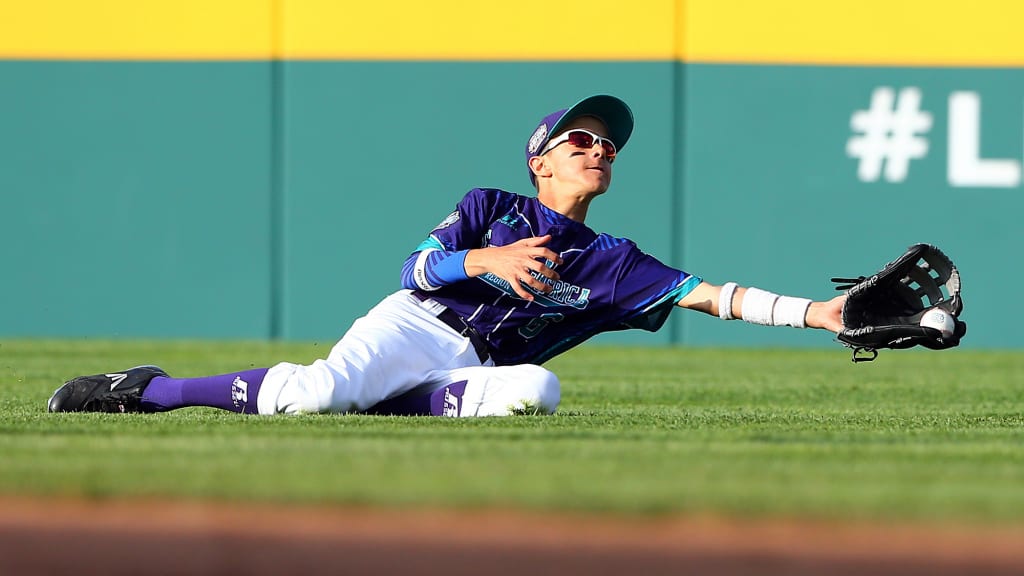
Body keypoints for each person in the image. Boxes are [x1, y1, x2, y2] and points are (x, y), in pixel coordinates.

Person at [48, 95, 846, 417]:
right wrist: (483, 263)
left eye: (608, 144)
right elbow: (413, 271)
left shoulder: (613, 261)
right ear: (541, 159)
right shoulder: (489, 208)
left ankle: (378, 404)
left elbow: (714, 295)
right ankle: (151, 390)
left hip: (477, 364)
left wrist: (821, 314)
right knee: (318, 396)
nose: (598, 148)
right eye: (581, 138)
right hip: (417, 324)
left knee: (539, 390)